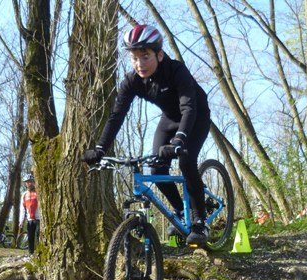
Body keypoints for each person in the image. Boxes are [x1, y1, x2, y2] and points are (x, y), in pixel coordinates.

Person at [82, 24, 211, 246]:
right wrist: (101, 148)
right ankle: (181, 210)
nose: (139, 64)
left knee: (186, 160)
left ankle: (200, 221)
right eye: (134, 58)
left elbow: (189, 107)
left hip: (195, 116)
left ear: (159, 54)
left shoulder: (176, 70)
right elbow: (116, 116)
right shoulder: (132, 80)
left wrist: (179, 140)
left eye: (145, 56)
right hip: (169, 119)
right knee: (156, 168)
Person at [19, 174, 40, 255]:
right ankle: (31, 253)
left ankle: (39, 253)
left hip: (39, 219)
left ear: (34, 182)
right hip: (30, 219)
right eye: (27, 182)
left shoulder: (38, 192)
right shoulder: (24, 195)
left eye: (31, 182)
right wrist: (21, 221)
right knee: (30, 237)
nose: (29, 183)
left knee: (38, 236)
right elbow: (22, 209)